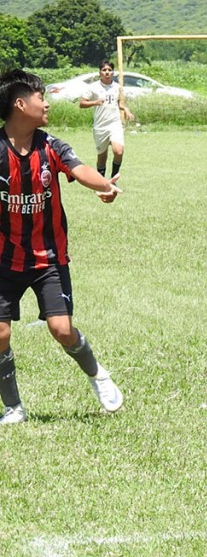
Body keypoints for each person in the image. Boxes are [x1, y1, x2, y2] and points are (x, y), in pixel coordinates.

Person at [0, 69, 124, 425]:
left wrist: (103, 185)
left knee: (62, 329)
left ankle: (98, 374)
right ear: (20, 104)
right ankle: (14, 408)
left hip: (48, 258)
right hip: (4, 260)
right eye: (41, 97)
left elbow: (79, 168)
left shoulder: (51, 145)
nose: (47, 104)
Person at [78, 60, 135, 178]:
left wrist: (126, 110)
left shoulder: (117, 87)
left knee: (118, 151)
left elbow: (120, 104)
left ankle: (114, 177)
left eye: (109, 70)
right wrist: (95, 102)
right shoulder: (93, 87)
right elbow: (82, 103)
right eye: (104, 70)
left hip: (114, 124)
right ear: (100, 72)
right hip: (100, 126)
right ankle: (101, 181)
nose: (107, 72)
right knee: (102, 158)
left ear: (113, 72)